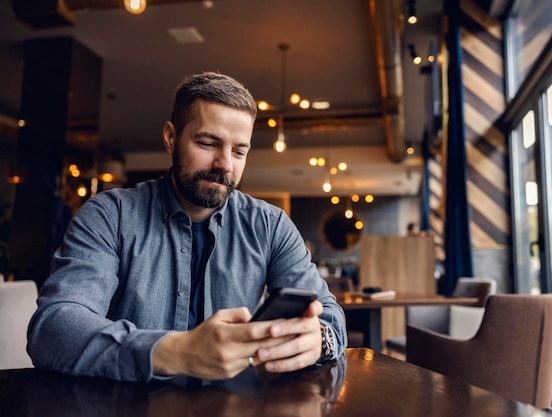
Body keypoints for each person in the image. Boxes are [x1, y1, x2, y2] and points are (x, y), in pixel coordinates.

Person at [27, 71, 347, 382]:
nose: (225, 164)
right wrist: (174, 353)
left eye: (239, 151)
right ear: (171, 137)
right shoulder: (110, 214)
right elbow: (52, 328)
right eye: (208, 144)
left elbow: (331, 317)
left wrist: (319, 339)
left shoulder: (271, 224)